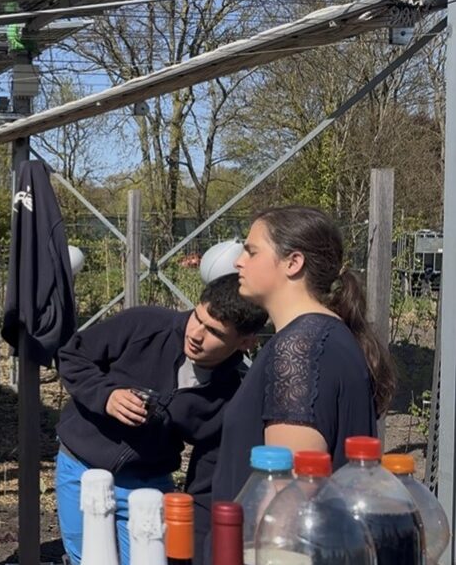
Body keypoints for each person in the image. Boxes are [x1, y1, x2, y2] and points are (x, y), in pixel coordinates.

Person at [54, 274, 267, 565]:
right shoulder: (146, 324)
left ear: (245, 342)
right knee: (88, 559)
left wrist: (195, 542)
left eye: (214, 332)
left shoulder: (230, 395)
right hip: (81, 468)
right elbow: (72, 355)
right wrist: (106, 396)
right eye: (198, 317)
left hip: (148, 484)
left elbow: (206, 476)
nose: (196, 334)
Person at [212, 206, 394, 505]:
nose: (238, 262)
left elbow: (290, 499)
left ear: (293, 262)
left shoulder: (300, 348)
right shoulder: (328, 336)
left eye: (252, 252)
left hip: (275, 550)